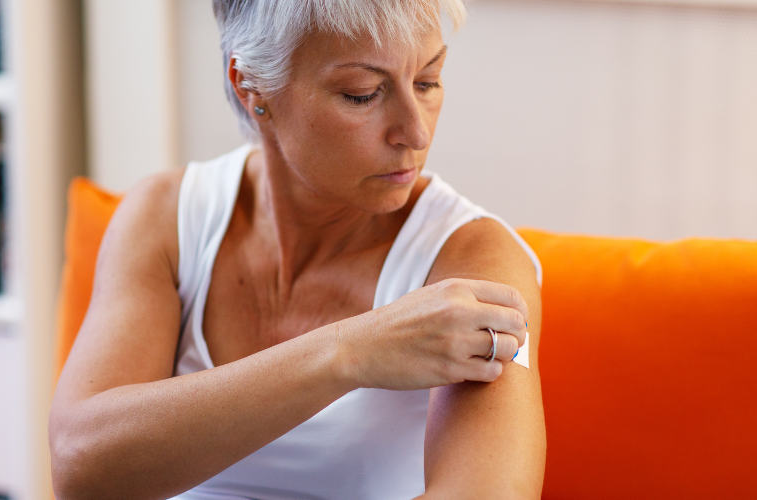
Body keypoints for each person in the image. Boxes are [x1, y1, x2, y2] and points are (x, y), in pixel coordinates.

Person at [49, 1, 546, 498]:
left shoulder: (479, 262)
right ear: (252, 87)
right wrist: (350, 351)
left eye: (427, 81)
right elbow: (79, 466)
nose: (415, 133)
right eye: (363, 94)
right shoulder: (164, 217)